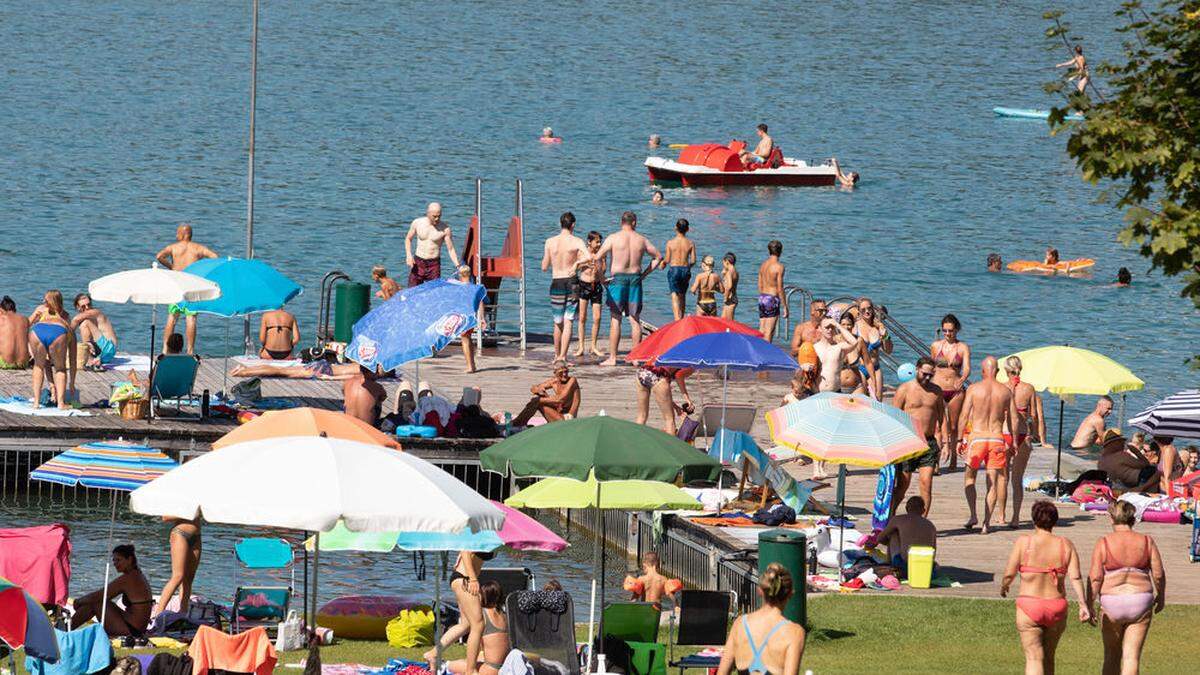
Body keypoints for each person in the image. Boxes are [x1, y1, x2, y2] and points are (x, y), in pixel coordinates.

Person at [1000, 501, 1090, 675]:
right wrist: (1082, 605)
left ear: (1034, 520)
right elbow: (1076, 577)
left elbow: (1009, 574)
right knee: (1049, 656)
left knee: (1034, 657)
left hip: (1029, 606)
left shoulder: (1023, 542)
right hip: (1056, 607)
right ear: (1055, 521)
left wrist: (1005, 586)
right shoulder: (1065, 544)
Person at [1088, 500, 1166, 675]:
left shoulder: (1104, 543)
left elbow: (1095, 578)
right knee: (1131, 657)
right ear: (1133, 518)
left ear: (1111, 518)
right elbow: (1158, 574)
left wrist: (1088, 603)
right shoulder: (1146, 541)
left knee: (1111, 655)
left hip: (1111, 602)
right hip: (1140, 600)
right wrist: (1161, 596)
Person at [958, 356, 1019, 534]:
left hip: (977, 437)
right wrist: (1014, 441)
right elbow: (1013, 419)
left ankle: (973, 514)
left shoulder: (974, 389)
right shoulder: (1006, 391)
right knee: (992, 482)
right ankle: (986, 523)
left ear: (983, 371)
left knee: (970, 478)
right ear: (998, 371)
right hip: (996, 438)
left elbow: (963, 416)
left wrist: (960, 439)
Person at [715, 562, 804, 675]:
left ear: (760, 591)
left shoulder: (740, 624)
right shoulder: (794, 633)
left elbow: (722, 672)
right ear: (790, 594)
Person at [599, 211, 661, 365]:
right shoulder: (641, 239)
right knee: (634, 319)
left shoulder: (613, 238)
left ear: (622, 222)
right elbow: (658, 257)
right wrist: (645, 273)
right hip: (635, 279)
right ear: (634, 222)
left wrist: (601, 278)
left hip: (617, 279)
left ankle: (613, 358)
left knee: (615, 318)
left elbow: (596, 257)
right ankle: (636, 358)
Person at [892, 357, 945, 517]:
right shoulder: (904, 389)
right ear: (916, 369)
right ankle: (890, 518)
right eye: (924, 374)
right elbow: (894, 416)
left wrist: (946, 442)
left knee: (926, 483)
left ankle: (922, 521)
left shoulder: (936, 391)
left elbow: (942, 419)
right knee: (902, 485)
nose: (927, 378)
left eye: (931, 375)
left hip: (928, 442)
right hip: (907, 441)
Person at [425, 551, 493, 673]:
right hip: (465, 579)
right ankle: (470, 670)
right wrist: (472, 579)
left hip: (463, 578)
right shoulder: (477, 532)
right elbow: (465, 550)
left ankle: (433, 654)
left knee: (466, 625)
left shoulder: (491, 535)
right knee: (478, 624)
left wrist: (513, 549)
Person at [156, 223, 218, 354]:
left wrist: (171, 267)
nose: (175, 235)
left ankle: (165, 349)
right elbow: (215, 257)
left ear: (183, 234)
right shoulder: (198, 248)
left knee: (172, 317)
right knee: (191, 318)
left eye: (177, 233)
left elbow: (159, 256)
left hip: (177, 284)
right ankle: (190, 351)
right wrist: (202, 271)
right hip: (192, 285)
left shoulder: (173, 247)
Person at [1002, 356, 1045, 529]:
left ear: (1006, 370)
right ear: (1021, 369)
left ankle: (1001, 515)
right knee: (1017, 478)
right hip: (1022, 436)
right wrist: (1034, 434)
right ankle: (1016, 518)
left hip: (1004, 434)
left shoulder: (1002, 388)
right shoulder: (1029, 389)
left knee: (1002, 478)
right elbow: (1034, 415)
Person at [70, 545, 152, 636]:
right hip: (136, 627)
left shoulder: (129, 578)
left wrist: (78, 601)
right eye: (114, 560)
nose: (115, 563)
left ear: (130, 559)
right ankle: (66, 629)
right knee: (100, 602)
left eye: (118, 560)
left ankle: (64, 630)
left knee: (96, 602)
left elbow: (101, 594)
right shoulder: (137, 574)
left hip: (133, 630)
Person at [542, 212, 588, 361]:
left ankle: (556, 355)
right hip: (572, 281)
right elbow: (589, 257)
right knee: (568, 321)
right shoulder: (577, 241)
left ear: (560, 223)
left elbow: (544, 266)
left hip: (556, 281)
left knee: (557, 321)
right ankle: (563, 356)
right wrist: (576, 263)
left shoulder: (550, 241)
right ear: (573, 225)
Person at [931, 314, 971, 469]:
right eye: (945, 331)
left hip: (955, 390)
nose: (948, 334)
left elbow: (966, 367)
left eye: (951, 331)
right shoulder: (936, 346)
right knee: (937, 426)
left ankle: (954, 458)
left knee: (953, 427)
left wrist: (962, 379)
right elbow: (931, 366)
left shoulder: (962, 347)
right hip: (938, 388)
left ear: (957, 330)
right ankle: (935, 460)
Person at [445, 580, 509, 675]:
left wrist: (461, 593)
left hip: (491, 670)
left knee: (451, 664)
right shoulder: (505, 615)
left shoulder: (481, 615)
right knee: (477, 658)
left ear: (483, 596)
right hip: (505, 667)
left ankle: (442, 667)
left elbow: (464, 616)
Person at [28, 290, 75, 409]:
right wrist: (72, 383)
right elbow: (73, 359)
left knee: (38, 366)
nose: (43, 301)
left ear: (48, 301)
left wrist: (35, 316)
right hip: (58, 332)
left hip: (37, 331)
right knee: (60, 369)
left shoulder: (41, 309)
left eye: (45, 299)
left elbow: (26, 324)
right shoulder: (66, 316)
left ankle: (36, 403)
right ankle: (60, 403)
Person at [153, 518, 201, 616]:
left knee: (189, 578)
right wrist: (188, 512)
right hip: (181, 534)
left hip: (196, 536)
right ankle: (158, 614)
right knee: (178, 576)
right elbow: (165, 517)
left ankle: (183, 613)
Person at [405, 202, 460, 288]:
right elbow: (408, 239)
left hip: (434, 264)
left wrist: (457, 265)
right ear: (428, 213)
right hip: (418, 262)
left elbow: (451, 249)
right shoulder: (417, 223)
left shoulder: (445, 229)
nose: (437, 219)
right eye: (434, 216)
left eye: (439, 216)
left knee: (434, 291)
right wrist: (408, 255)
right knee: (412, 290)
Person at [512, 360, 580, 425]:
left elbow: (560, 399)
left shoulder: (572, 380)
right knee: (537, 400)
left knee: (537, 402)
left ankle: (516, 423)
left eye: (566, 372)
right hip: (558, 414)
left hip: (568, 419)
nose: (564, 374)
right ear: (555, 373)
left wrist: (539, 400)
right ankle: (520, 423)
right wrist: (539, 391)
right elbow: (534, 388)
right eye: (561, 373)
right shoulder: (554, 382)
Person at [878, 496, 937, 570]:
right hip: (926, 566)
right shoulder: (930, 525)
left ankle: (890, 564)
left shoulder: (898, 519)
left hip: (904, 565)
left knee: (893, 533)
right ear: (923, 511)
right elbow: (934, 549)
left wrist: (889, 542)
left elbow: (879, 538)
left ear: (906, 509)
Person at [635, 365, 693, 436]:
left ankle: (635, 442)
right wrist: (688, 400)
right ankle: (670, 446)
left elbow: (664, 398)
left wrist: (676, 407)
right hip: (659, 374)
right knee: (669, 419)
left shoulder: (672, 354)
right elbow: (679, 376)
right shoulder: (692, 363)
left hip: (643, 372)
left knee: (642, 415)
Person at [575, 231, 607, 358]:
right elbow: (575, 267)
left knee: (597, 317)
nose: (599, 244)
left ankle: (593, 346)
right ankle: (581, 346)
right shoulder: (582, 252)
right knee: (582, 317)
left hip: (596, 286)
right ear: (589, 242)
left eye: (600, 242)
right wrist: (585, 264)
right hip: (584, 285)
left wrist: (598, 267)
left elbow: (604, 270)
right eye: (597, 241)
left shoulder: (602, 254)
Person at [853, 297, 891, 401]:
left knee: (877, 400)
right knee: (860, 401)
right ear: (858, 310)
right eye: (863, 309)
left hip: (875, 367)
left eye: (869, 308)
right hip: (860, 368)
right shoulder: (855, 327)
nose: (867, 311)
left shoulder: (878, 327)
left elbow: (888, 351)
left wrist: (886, 337)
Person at [70, 294, 117, 370]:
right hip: (103, 354)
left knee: (85, 323)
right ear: (77, 307)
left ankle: (89, 359)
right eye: (83, 306)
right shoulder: (90, 316)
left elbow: (75, 319)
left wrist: (65, 338)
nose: (87, 308)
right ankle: (93, 358)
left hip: (108, 348)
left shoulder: (95, 312)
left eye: (89, 304)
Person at [662, 219, 696, 320]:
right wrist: (688, 267)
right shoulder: (690, 243)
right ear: (688, 229)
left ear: (675, 228)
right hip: (685, 269)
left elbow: (667, 259)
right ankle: (681, 318)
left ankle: (676, 319)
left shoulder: (670, 243)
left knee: (674, 294)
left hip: (674, 269)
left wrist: (663, 263)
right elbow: (693, 260)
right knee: (682, 295)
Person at [756, 240, 786, 343]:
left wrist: (763, 297)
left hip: (762, 297)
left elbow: (759, 284)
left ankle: (758, 351)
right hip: (772, 298)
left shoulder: (763, 265)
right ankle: (765, 355)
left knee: (762, 329)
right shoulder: (779, 267)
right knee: (769, 331)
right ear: (780, 251)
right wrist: (785, 306)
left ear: (769, 251)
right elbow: (780, 288)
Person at [836, 312, 867, 394]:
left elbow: (868, 363)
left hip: (857, 386)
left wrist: (874, 382)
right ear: (839, 326)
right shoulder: (834, 340)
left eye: (849, 324)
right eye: (843, 324)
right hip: (838, 387)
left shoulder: (859, 341)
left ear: (853, 325)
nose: (846, 327)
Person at [0, 296, 30, 370]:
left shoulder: (1, 319)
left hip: (5, 363)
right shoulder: (25, 319)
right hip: (24, 363)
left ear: (1, 309)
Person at [720, 252, 739, 320]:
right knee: (723, 321)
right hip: (733, 297)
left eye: (723, 263)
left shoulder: (729, 272)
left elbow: (729, 286)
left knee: (729, 323)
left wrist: (726, 297)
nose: (723, 265)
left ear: (727, 262)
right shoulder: (735, 271)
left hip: (730, 299)